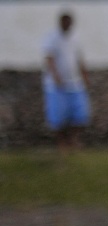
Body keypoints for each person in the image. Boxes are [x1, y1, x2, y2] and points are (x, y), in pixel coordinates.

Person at [41, 10, 90, 151]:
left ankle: (73, 140)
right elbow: (49, 58)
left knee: (81, 114)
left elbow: (79, 58)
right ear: (60, 22)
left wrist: (85, 75)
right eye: (65, 21)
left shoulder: (76, 38)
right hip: (56, 85)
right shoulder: (52, 38)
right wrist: (56, 76)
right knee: (57, 116)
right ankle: (61, 143)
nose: (67, 24)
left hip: (75, 83)